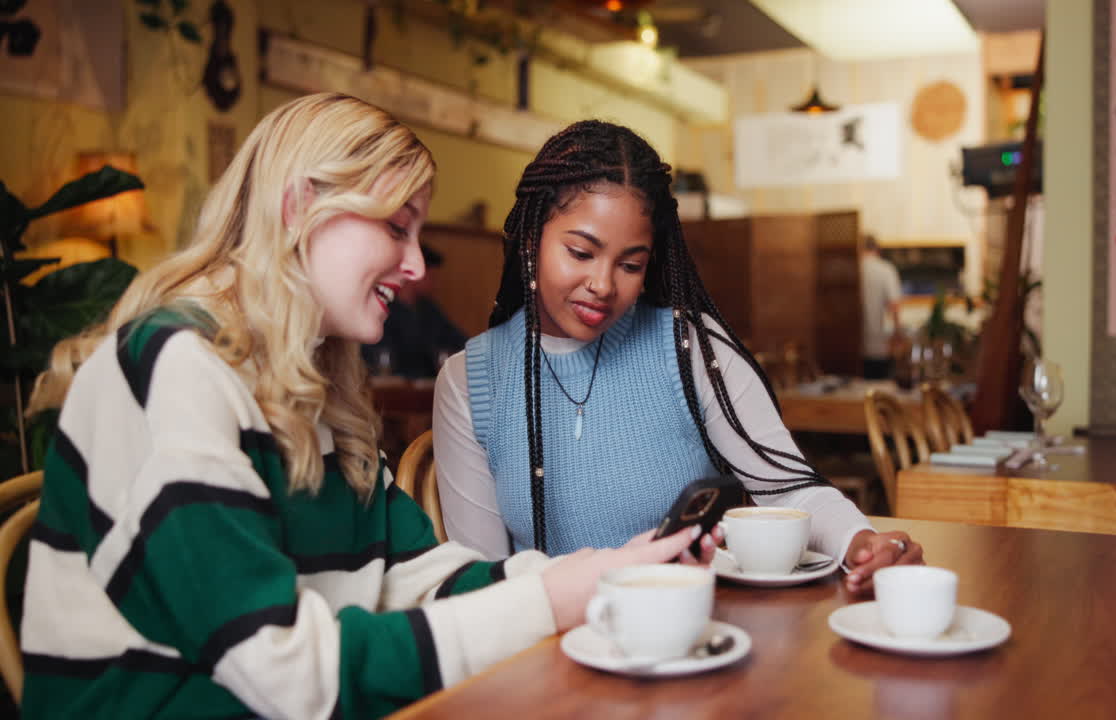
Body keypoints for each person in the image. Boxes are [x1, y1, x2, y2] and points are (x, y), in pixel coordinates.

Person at [19, 94, 702, 719]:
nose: (416, 268)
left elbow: (423, 577)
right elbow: (282, 672)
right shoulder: (174, 367)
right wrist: (551, 602)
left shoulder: (303, 387)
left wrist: (602, 576)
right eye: (395, 229)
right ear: (298, 208)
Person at [433, 120, 923, 595]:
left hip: (687, 636)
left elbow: (789, 490)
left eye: (631, 264)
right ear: (530, 238)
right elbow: (481, 582)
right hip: (549, 653)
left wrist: (860, 542)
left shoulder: (692, 349)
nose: (603, 285)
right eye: (581, 253)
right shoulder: (470, 380)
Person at [362, 243, 467, 378]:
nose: (434, 283)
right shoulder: (383, 307)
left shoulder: (430, 310)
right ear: (415, 274)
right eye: (431, 276)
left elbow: (462, 342)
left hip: (426, 388)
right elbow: (376, 356)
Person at [859, 233, 904, 380]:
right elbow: (894, 306)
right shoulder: (886, 270)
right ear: (878, 249)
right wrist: (897, 334)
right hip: (878, 345)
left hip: (850, 346)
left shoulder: (852, 269)